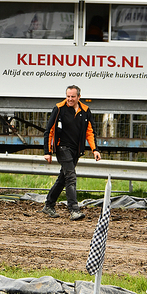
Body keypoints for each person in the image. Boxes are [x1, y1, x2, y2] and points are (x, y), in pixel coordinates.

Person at [41, 85, 101, 221]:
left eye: (72, 97)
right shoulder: (59, 108)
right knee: (71, 176)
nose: (70, 99)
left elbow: (90, 132)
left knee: (63, 178)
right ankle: (74, 209)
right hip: (62, 148)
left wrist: (95, 149)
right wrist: (47, 151)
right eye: (68, 96)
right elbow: (49, 131)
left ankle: (49, 205)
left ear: (78, 97)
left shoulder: (85, 111)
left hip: (75, 150)